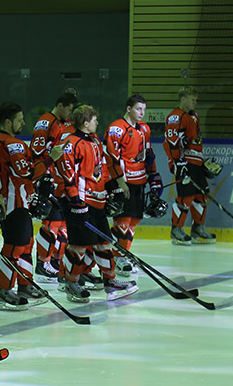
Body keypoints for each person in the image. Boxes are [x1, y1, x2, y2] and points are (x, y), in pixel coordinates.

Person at [55, 105, 138, 303]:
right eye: (94, 120)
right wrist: (75, 200)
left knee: (104, 243)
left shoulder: (94, 141)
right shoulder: (71, 143)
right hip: (81, 203)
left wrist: (110, 187)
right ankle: (71, 282)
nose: (97, 123)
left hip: (98, 201)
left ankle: (110, 280)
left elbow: (102, 168)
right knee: (79, 246)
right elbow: (68, 173)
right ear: (85, 123)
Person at [0, 102, 50, 310]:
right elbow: (27, 173)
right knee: (14, 247)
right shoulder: (13, 144)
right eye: (19, 120)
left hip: (10, 201)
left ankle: (24, 285)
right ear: (8, 122)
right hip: (14, 202)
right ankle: (3, 290)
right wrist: (50, 159)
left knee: (25, 244)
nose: (23, 123)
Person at [104, 93, 163, 276]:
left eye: (144, 109)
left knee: (134, 221)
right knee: (123, 221)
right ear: (128, 109)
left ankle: (123, 254)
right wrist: (120, 181)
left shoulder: (144, 128)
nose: (142, 113)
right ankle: (117, 257)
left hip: (140, 180)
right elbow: (110, 157)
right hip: (124, 181)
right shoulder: (116, 129)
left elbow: (149, 154)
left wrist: (153, 175)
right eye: (138, 109)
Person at [30, 92, 77, 283]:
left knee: (62, 224)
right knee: (51, 224)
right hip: (48, 180)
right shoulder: (46, 122)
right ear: (60, 105)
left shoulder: (64, 123)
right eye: (69, 109)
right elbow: (37, 152)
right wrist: (43, 177)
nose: (70, 113)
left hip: (61, 180)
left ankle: (56, 261)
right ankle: (42, 264)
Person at [164, 85, 216, 244]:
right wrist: (178, 163)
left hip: (196, 162)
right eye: (192, 99)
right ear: (183, 99)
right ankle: (176, 230)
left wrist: (202, 161)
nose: (195, 102)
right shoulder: (175, 117)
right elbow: (171, 143)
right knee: (185, 197)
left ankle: (197, 228)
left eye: (196, 100)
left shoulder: (194, 116)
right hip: (184, 163)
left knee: (201, 195)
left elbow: (194, 140)